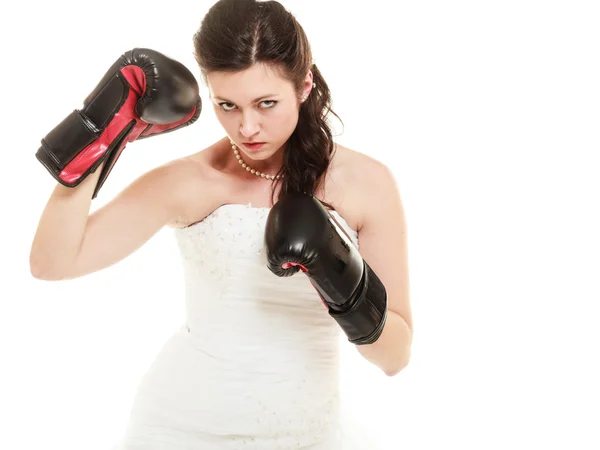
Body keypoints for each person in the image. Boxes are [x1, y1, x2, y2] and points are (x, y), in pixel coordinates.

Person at [29, 0, 413, 448]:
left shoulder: (366, 184)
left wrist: (343, 282)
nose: (247, 126)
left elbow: (396, 357)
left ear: (304, 84)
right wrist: (104, 131)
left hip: (305, 433)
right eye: (226, 104)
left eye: (266, 103)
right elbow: (51, 262)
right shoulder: (192, 180)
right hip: (178, 427)